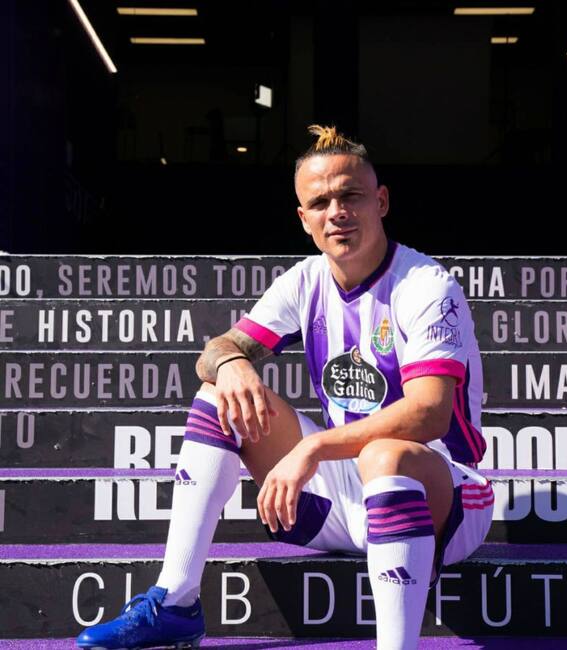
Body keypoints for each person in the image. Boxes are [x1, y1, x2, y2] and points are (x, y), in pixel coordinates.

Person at [76, 125, 493, 650]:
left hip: (446, 503)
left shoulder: (425, 285)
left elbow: (430, 413)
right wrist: (232, 363)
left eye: (351, 195)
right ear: (304, 219)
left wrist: (311, 449)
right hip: (345, 499)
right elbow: (215, 352)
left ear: (381, 202)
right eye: (320, 202)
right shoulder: (305, 280)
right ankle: (176, 601)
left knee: (384, 454)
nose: (336, 212)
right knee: (217, 396)